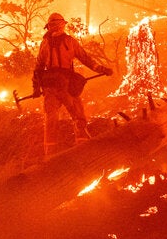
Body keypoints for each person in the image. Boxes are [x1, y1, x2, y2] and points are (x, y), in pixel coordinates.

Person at [32, 12, 113, 156]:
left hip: (55, 87)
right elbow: (85, 58)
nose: (57, 27)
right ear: (59, 25)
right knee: (76, 117)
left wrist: (36, 88)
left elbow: (38, 68)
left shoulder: (51, 42)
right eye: (57, 25)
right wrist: (36, 87)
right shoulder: (64, 42)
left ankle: (51, 155)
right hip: (63, 87)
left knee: (54, 119)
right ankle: (81, 150)